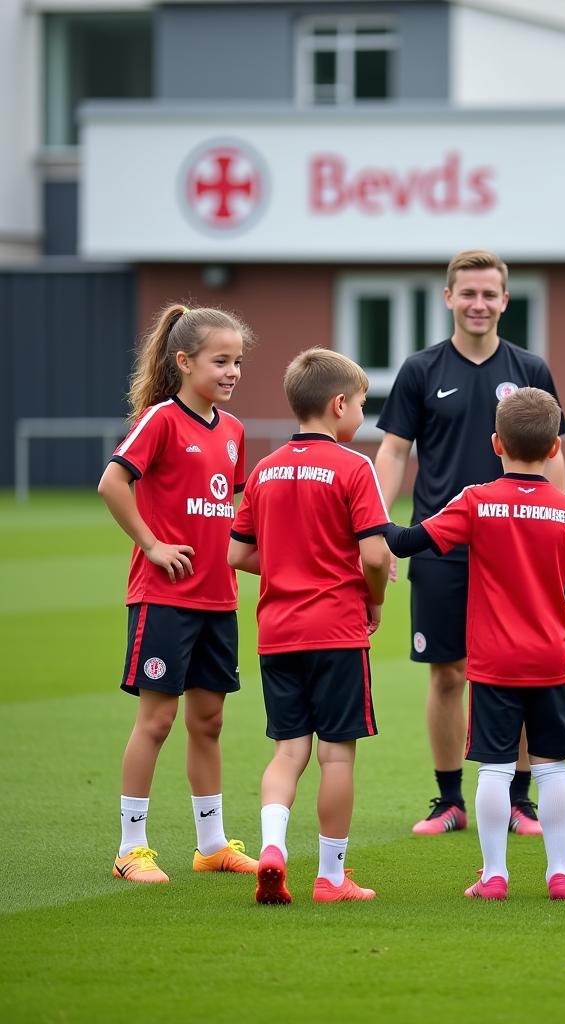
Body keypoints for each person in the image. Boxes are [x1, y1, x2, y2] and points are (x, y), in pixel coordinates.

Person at [374, 249, 565, 836]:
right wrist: (376, 528)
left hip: (517, 548)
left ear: (505, 300)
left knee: (527, 673)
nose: (478, 304)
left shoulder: (530, 369)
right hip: (440, 543)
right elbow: (393, 451)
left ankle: (520, 801)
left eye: (489, 294)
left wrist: (558, 531)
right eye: (468, 293)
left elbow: (552, 454)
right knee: (447, 673)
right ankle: (449, 800)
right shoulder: (420, 370)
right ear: (449, 298)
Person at [383, 387, 565, 900]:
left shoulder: (477, 500)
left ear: (496, 443)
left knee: (495, 769)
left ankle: (494, 875)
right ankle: (561, 874)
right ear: (555, 448)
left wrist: (365, 519)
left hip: (495, 662)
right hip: (549, 660)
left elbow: (410, 541)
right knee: (552, 768)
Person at [98, 303, 257, 883]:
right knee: (157, 721)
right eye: (221, 361)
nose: (232, 371)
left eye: (238, 361)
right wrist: (152, 543)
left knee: (209, 720)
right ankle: (130, 849)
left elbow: (232, 515)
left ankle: (211, 844)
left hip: (219, 599)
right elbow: (112, 482)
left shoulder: (235, 431)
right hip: (164, 596)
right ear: (184, 361)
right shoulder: (161, 419)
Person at [228, 349, 390, 904]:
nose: (362, 416)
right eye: (362, 405)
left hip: (277, 632)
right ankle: (330, 877)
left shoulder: (265, 469)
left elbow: (236, 554)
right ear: (339, 403)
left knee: (287, 751)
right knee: (336, 755)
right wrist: (374, 599)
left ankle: (272, 848)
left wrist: (290, 561)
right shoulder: (354, 466)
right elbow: (374, 555)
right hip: (336, 630)